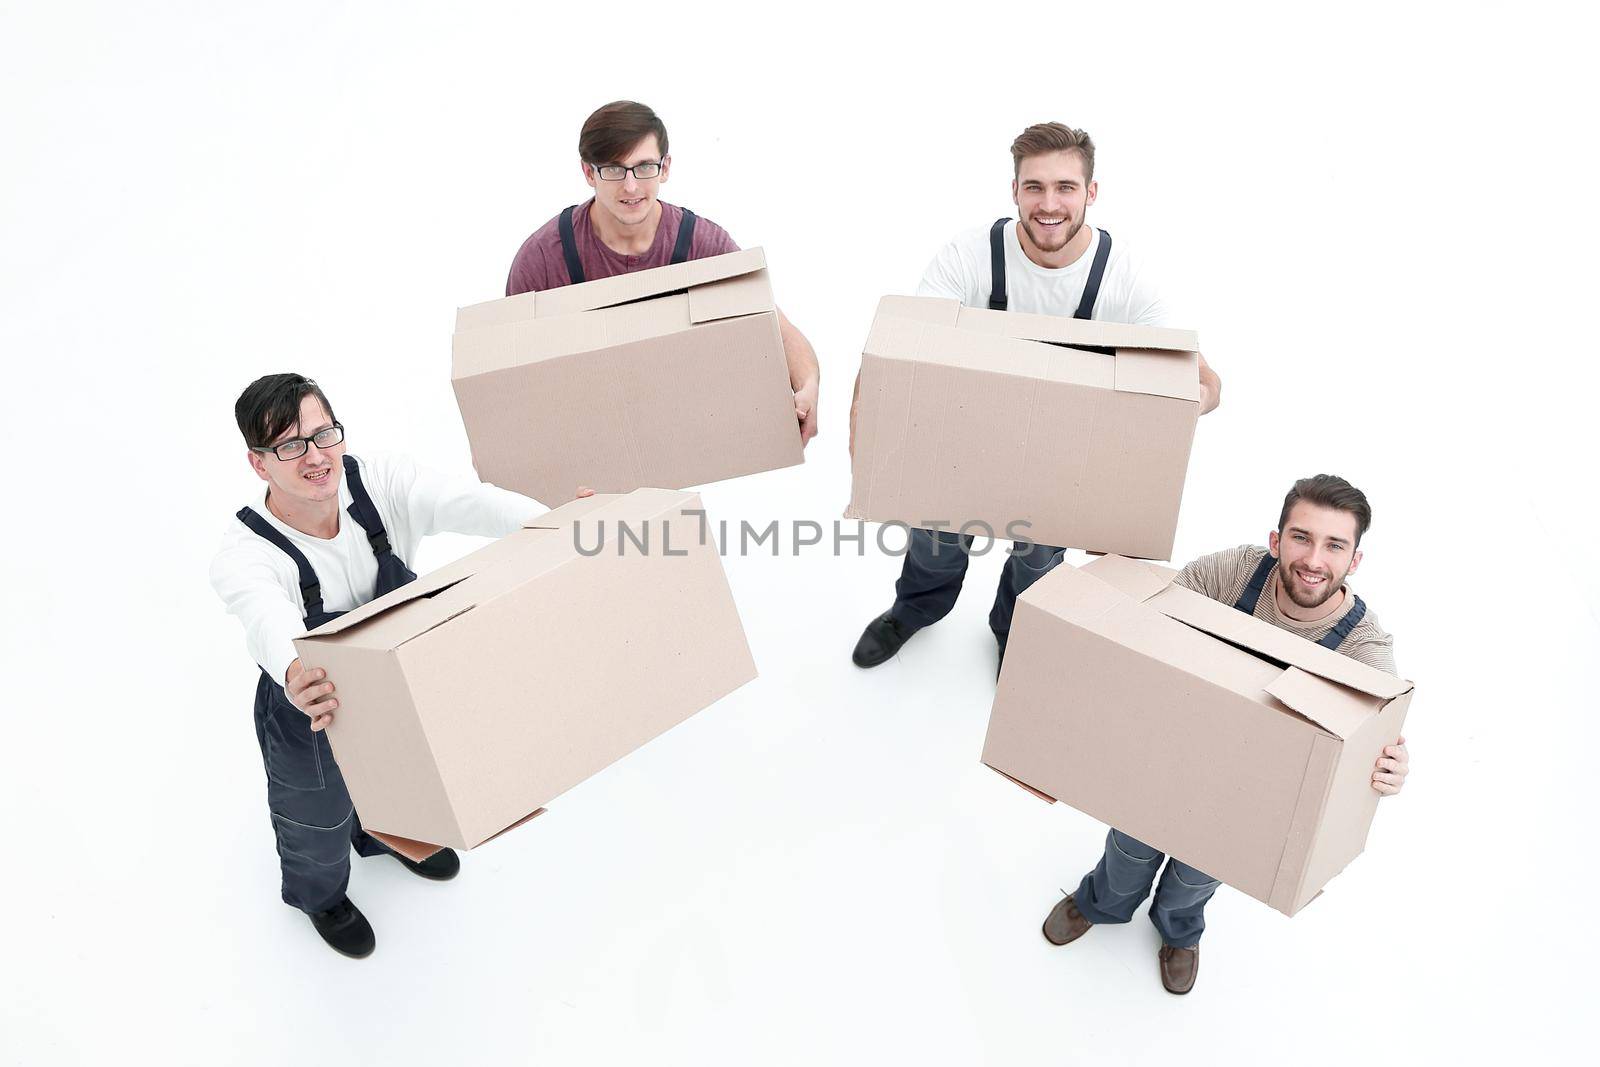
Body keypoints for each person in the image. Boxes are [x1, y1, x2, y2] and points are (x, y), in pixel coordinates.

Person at [209, 373, 588, 958]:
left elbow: (470, 501)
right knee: (316, 810)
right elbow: (264, 617)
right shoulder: (244, 554)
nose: (315, 457)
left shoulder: (380, 481)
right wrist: (294, 673)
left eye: (323, 434)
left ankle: (385, 834)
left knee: (404, 769)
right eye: (289, 445)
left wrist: (551, 521)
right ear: (260, 465)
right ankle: (323, 896)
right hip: (310, 704)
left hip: (394, 673)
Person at [850, 121, 1222, 670]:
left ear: (1091, 193)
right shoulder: (970, 256)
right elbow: (904, 348)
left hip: (1061, 460)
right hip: (963, 437)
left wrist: (1126, 504)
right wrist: (868, 423)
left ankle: (1013, 632)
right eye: (1034, 187)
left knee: (1037, 565)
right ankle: (914, 611)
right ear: (1015, 190)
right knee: (933, 542)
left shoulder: (1126, 278)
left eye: (1066, 188)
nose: (1049, 204)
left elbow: (1204, 386)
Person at [1040, 474, 1412, 994]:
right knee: (1130, 847)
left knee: (1197, 875)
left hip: (1248, 791)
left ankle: (1179, 933)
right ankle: (1101, 903)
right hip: (1173, 748)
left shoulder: (1364, 648)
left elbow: (1375, 741)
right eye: (1302, 537)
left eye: (1335, 545)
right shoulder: (1235, 572)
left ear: (1355, 561)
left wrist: (1388, 772)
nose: (1314, 559)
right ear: (1276, 540)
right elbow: (1151, 621)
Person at [506, 99, 820, 447]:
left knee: (690, 506)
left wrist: (808, 386)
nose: (630, 187)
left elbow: (772, 323)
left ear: (665, 167)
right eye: (613, 169)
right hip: (577, 457)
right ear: (588, 172)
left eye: (644, 167)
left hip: (677, 457)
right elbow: (507, 372)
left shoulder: (705, 246)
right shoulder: (543, 258)